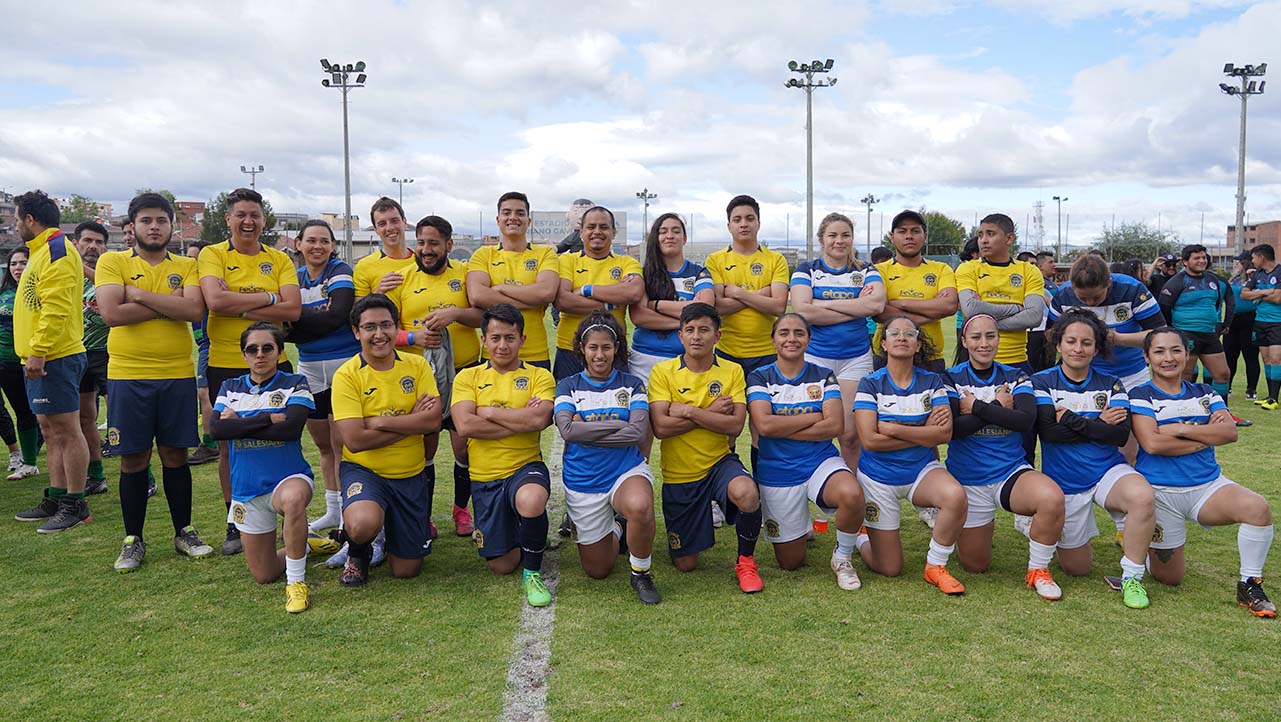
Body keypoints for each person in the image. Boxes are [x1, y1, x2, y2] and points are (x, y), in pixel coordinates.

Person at [97, 192, 214, 570]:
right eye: (146, 220)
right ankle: (133, 540)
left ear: (171, 225)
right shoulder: (111, 261)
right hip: (128, 375)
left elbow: (194, 309)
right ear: (133, 227)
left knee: (175, 455)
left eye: (161, 220)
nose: (154, 226)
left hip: (177, 374)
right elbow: (112, 313)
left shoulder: (187, 263)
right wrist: (168, 302)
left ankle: (184, 531)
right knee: (133, 458)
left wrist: (141, 295)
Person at [1127, 326, 1274, 617]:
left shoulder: (1205, 392)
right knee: (1170, 578)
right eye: (1159, 351)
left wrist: (1181, 429)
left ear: (1187, 354)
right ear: (1146, 357)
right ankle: (1138, 544)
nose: (1168, 358)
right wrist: (1206, 432)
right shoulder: (1140, 394)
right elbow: (1153, 443)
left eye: (1175, 350)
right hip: (1160, 493)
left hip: (1207, 487)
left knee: (1257, 508)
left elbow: (1230, 433)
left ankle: (1250, 583)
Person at [198, 187, 302, 555]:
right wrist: (269, 299)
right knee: (229, 446)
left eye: (255, 215)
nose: (248, 221)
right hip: (226, 363)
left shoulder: (279, 259)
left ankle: (283, 513)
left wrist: (241, 305)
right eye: (240, 214)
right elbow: (215, 300)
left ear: (263, 220)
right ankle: (235, 518)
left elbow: (293, 311)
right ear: (228, 219)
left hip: (277, 362)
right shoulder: (212, 254)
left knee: (283, 437)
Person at [1032, 309, 1156, 609]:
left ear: (1097, 348)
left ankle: (1132, 578)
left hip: (1107, 472)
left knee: (1142, 497)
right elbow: (1049, 433)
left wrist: (1071, 419)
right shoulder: (1042, 382)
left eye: (1086, 343)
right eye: (1071, 341)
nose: (1078, 348)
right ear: (1058, 344)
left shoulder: (1112, 383)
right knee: (1077, 568)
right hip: (1065, 483)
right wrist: (1097, 423)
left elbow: (1119, 436)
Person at [945, 314, 1066, 601]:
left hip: (1009, 472)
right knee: (975, 565)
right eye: (976, 337)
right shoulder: (950, 377)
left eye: (990, 336)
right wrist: (1000, 406)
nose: (984, 343)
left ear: (999, 339)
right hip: (967, 480)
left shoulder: (1017, 375)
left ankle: (1038, 570)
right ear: (964, 341)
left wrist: (975, 407)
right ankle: (954, 514)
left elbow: (1025, 421)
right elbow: (954, 430)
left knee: (1051, 498)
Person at [649, 302, 764, 592]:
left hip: (719, 462)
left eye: (704, 329)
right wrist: (712, 412)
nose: (696, 336)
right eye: (690, 330)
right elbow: (661, 428)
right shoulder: (662, 371)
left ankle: (746, 561)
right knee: (686, 564)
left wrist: (688, 411)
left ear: (718, 336)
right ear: (680, 336)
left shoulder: (732, 371)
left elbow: (735, 426)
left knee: (747, 493)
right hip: (680, 474)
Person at [747, 313, 866, 590]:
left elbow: (835, 425)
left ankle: (843, 557)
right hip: (777, 471)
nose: (792, 338)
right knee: (791, 562)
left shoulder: (822, 374)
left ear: (808, 340)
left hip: (819, 461)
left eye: (799, 333)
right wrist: (814, 417)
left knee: (851, 493)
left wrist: (781, 427)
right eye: (784, 333)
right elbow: (763, 425)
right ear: (773, 340)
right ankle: (801, 526)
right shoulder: (760, 376)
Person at [331, 295, 443, 587]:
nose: (379, 334)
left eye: (386, 325)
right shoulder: (346, 376)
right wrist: (410, 423)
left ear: (396, 328)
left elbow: (432, 421)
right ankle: (358, 550)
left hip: (409, 474)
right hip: (365, 471)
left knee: (406, 570)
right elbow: (355, 440)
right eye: (370, 327)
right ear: (357, 332)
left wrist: (380, 422)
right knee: (361, 524)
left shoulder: (417, 366)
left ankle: (393, 530)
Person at [852, 316, 968, 594]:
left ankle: (935, 566)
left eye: (909, 334)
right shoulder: (869, 383)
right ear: (883, 343)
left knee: (955, 496)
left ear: (918, 345)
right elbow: (869, 441)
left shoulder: (932, 381)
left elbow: (943, 434)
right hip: (878, 478)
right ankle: (861, 537)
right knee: (890, 568)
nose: (902, 337)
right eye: (894, 333)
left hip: (921, 471)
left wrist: (892, 428)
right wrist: (921, 429)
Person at [452, 303, 555, 606]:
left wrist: (488, 411)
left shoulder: (539, 376)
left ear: (523, 339)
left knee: (532, 500)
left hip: (525, 466)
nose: (502, 345)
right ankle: (529, 530)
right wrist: (517, 418)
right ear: (484, 340)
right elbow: (464, 424)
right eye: (495, 338)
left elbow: (538, 421)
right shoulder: (467, 378)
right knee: (502, 565)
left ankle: (534, 573)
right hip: (485, 477)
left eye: (510, 338)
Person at [553, 312, 660, 604]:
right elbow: (567, 431)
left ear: (617, 349)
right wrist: (617, 425)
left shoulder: (632, 384)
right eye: (593, 348)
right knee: (598, 570)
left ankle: (641, 573)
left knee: (639, 505)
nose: (600, 354)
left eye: (606, 347)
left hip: (625, 470)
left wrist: (585, 428)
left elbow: (637, 433)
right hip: (583, 480)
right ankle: (615, 526)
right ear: (582, 350)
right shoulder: (568, 386)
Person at [210, 323, 317, 613]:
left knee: (294, 499)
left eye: (267, 348)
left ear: (280, 352)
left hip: (288, 479)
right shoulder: (229, 387)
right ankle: (305, 544)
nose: (260, 354)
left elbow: (292, 429)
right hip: (247, 490)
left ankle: (296, 584)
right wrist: (270, 418)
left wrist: (239, 422)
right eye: (252, 349)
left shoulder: (295, 382)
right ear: (244, 355)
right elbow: (217, 430)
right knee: (264, 574)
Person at [388, 214, 484, 537]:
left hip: (463, 373)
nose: (426, 250)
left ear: (448, 245)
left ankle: (461, 510)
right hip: (420, 377)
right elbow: (385, 332)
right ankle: (424, 516)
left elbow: (481, 316)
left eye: (433, 243)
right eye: (421, 243)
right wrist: (414, 338)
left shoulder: (466, 274)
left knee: (463, 447)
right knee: (424, 450)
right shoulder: (401, 279)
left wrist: (454, 314)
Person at [11, 190, 92, 533]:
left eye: (16, 219)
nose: (15, 225)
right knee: (50, 429)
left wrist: (39, 350)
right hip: (42, 357)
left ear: (31, 220)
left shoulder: (56, 251)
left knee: (66, 430)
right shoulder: (40, 251)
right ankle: (58, 496)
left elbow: (56, 308)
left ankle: (76, 503)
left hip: (54, 357)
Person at [789, 212, 886, 471]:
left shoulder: (866, 270)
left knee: (850, 435)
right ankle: (818, 490)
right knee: (813, 430)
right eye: (833, 235)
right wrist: (856, 304)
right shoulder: (806, 270)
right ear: (822, 239)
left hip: (855, 358)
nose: (839, 241)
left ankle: (850, 498)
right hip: (814, 357)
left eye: (845, 235)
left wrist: (822, 304)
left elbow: (876, 304)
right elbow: (802, 311)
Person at [285, 220, 360, 534]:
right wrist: (310, 318)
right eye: (311, 241)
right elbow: (285, 325)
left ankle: (348, 511)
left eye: (325, 241)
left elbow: (337, 316)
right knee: (323, 445)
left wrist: (296, 321)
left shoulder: (339, 270)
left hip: (344, 364)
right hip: (309, 368)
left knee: (344, 445)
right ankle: (332, 510)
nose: (318, 247)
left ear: (333, 245)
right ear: (299, 244)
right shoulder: (293, 279)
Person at [466, 192, 559, 369]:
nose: (513, 218)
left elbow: (546, 292)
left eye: (520, 213)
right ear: (498, 219)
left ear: (528, 221)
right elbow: (477, 296)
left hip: (535, 353)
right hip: (493, 355)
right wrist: (531, 301)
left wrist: (499, 288)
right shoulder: (483, 255)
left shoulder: (545, 254)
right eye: (507, 212)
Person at [1048, 254, 1165, 392]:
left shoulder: (1132, 289)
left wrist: (1117, 339)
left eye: (1096, 296)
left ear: (1109, 282)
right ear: (1072, 286)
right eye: (1083, 298)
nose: (1091, 303)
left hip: (1131, 375)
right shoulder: (1063, 294)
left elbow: (1161, 336)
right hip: (1079, 377)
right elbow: (1050, 333)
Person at [552, 206, 643, 380]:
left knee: (616, 406)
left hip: (613, 352)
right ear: (581, 232)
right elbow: (562, 300)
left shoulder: (626, 262)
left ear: (613, 232)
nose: (597, 232)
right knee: (568, 406)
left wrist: (587, 290)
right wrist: (610, 303)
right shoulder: (567, 260)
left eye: (603, 227)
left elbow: (634, 292)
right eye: (591, 227)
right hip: (570, 351)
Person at [1156, 244, 1242, 425]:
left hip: (1209, 335)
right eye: (1197, 258)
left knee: (1223, 374)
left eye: (1203, 257)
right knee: (1185, 375)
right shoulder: (1176, 282)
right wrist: (1173, 334)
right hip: (1185, 335)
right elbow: (1164, 308)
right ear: (1185, 262)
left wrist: (1220, 324)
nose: (1202, 261)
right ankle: (1180, 413)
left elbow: (1218, 303)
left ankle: (1222, 414)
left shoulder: (1213, 280)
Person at [705, 195, 789, 377]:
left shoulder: (776, 260)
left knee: (764, 406)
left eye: (750, 218)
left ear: (759, 223)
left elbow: (779, 306)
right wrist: (762, 294)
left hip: (768, 353)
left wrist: (737, 293)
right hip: (727, 352)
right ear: (729, 226)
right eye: (737, 219)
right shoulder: (715, 260)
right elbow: (718, 306)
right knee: (731, 406)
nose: (744, 224)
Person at [628, 212, 714, 381]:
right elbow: (639, 316)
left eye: (676, 231)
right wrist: (685, 323)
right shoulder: (644, 274)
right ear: (656, 238)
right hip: (644, 361)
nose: (669, 236)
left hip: (686, 361)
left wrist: (656, 305)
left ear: (685, 238)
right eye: (663, 231)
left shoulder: (699, 273)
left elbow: (704, 310)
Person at [955, 214, 1045, 372]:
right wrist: (1017, 309)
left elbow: (1034, 316)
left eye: (990, 234)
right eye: (980, 235)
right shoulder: (968, 268)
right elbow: (970, 308)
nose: (983, 240)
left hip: (1016, 361)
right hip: (975, 363)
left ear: (1009, 239)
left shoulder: (1029, 271)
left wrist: (983, 318)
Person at [873, 210, 958, 373]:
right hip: (887, 356)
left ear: (925, 236)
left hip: (931, 358)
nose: (909, 236)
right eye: (902, 231)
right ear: (892, 237)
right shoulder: (877, 271)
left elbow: (949, 306)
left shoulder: (941, 269)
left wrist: (900, 304)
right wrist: (932, 311)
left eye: (915, 231)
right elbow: (879, 312)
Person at [73, 221, 111, 496]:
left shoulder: (110, 271)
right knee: (85, 417)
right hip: (77, 352)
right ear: (76, 244)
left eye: (98, 242)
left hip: (109, 353)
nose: (93, 247)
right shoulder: (67, 277)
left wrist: (76, 266)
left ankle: (144, 477)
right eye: (87, 241)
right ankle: (96, 476)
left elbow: (104, 284)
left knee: (120, 416)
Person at [1, 248, 41, 480]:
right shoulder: (3, 293)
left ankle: (30, 460)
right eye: (14, 264)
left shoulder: (37, 292)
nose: (18, 268)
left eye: (23, 263)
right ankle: (27, 461)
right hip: (5, 362)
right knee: (21, 412)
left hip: (30, 361)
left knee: (32, 412)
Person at [186, 241, 220, 466]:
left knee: (204, 392)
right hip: (202, 345)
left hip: (212, 345)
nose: (191, 264)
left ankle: (210, 443)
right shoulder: (191, 285)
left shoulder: (211, 285)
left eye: (196, 259)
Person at [1241, 243, 1281, 410]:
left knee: (1276, 359)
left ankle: (1274, 398)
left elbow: (1278, 299)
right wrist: (1266, 292)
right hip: (1260, 321)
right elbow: (1244, 294)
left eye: (1253, 257)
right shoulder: (1257, 274)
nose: (1252, 261)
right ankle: (1269, 396)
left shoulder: (1280, 272)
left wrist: (1256, 295)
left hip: (1277, 322)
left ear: (1261, 257)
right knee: (1265, 359)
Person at [352, 196, 417, 298]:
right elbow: (356, 311)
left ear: (404, 222)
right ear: (376, 229)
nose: (390, 228)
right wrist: (377, 293)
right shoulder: (364, 266)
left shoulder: (423, 262)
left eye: (394, 221)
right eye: (382, 224)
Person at [1225, 252, 1261, 401]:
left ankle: (1251, 389)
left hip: (1249, 319)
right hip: (1233, 319)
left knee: (1250, 355)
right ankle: (1227, 386)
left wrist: (1253, 276)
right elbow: (1226, 290)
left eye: (1239, 262)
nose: (1236, 265)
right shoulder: (1235, 279)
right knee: (1229, 355)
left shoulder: (1255, 278)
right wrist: (1233, 276)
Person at [1027, 251, 1058, 372]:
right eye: (1031, 264)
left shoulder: (1047, 289)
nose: (1054, 265)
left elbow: (1055, 309)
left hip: (1045, 335)